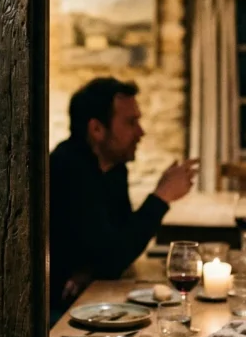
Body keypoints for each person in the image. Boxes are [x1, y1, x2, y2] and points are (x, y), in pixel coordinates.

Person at [49, 77, 197, 321]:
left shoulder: (114, 169)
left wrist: (92, 268)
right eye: (131, 122)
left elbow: (119, 241)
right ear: (96, 129)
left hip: (92, 299)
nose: (141, 132)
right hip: (59, 313)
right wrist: (161, 197)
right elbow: (114, 258)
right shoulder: (68, 169)